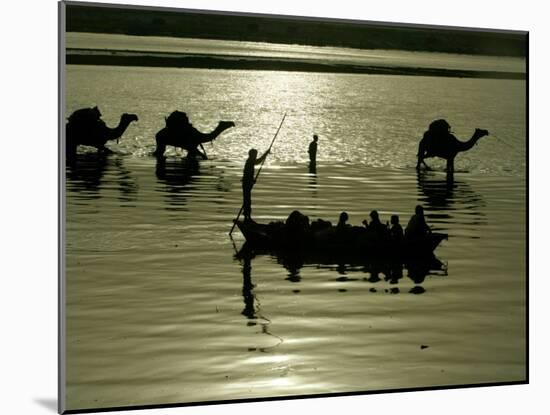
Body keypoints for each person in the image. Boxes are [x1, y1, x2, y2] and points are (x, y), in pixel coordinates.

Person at [242, 148, 270, 221]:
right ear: (252, 155)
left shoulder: (250, 161)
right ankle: (247, 216)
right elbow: (258, 161)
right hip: (246, 183)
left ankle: (247, 216)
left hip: (247, 182)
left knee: (247, 200)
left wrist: (252, 180)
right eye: (255, 155)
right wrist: (266, 154)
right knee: (247, 200)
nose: (256, 156)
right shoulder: (250, 161)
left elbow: (249, 173)